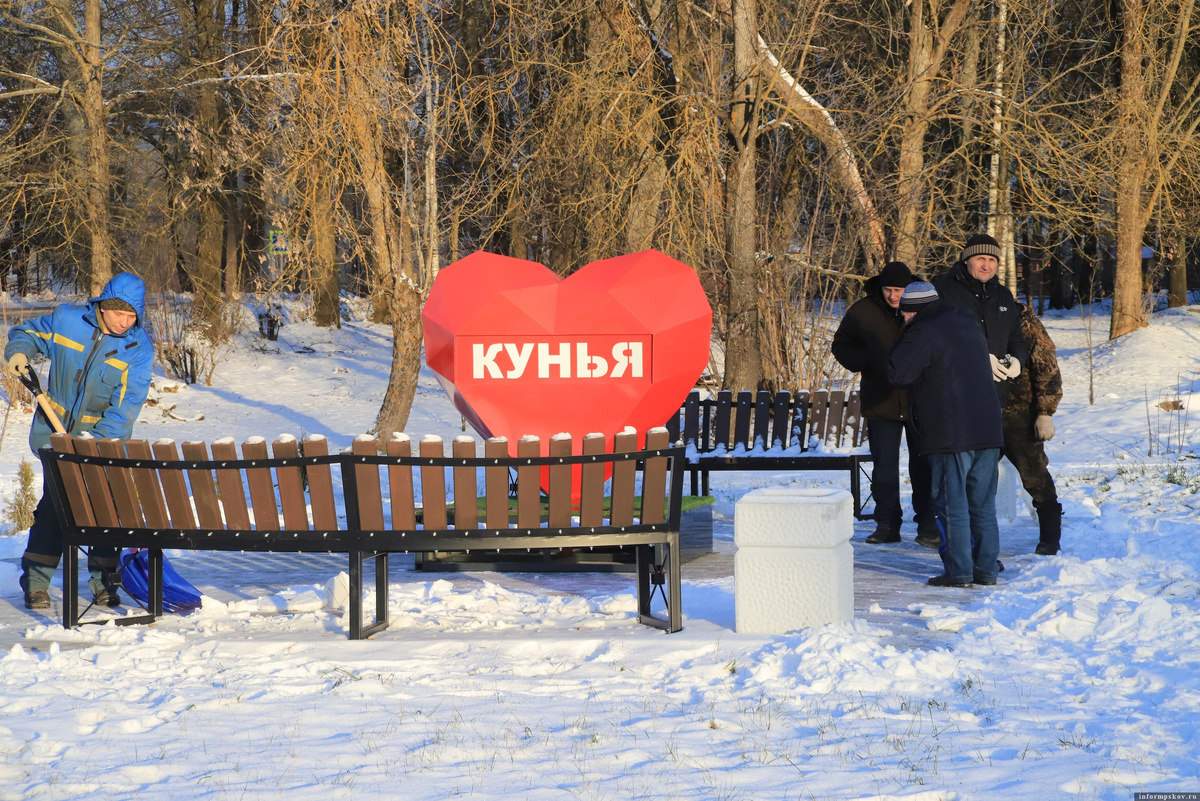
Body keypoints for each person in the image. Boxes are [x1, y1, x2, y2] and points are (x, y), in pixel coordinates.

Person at [5, 272, 155, 610]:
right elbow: (27, 333)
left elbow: (125, 409)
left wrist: (91, 442)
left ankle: (105, 582)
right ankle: (36, 583)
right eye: (119, 313)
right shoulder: (66, 321)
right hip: (52, 434)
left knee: (102, 506)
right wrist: (18, 351)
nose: (124, 322)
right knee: (56, 507)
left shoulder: (138, 348)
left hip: (100, 443)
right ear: (102, 306)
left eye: (132, 316)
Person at [886, 282, 1005, 588]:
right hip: (988, 429)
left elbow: (897, 373)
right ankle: (987, 571)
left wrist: (898, 342)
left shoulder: (923, 329)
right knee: (983, 505)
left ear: (912, 310)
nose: (903, 319)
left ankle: (959, 572)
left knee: (952, 506)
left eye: (904, 314)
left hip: (951, 432)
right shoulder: (966, 320)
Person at [832, 261, 937, 546]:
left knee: (924, 466)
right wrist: (867, 361)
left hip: (920, 401)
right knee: (884, 470)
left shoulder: (924, 309)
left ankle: (928, 525)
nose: (893, 296)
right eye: (888, 290)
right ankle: (887, 524)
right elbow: (841, 345)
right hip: (881, 400)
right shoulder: (863, 311)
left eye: (899, 290)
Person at [934, 233, 1028, 405]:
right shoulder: (941, 293)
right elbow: (933, 343)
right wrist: (977, 359)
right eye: (980, 258)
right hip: (953, 396)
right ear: (966, 260)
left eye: (992, 260)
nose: (986, 266)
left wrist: (1018, 360)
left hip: (994, 396)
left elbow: (1017, 340)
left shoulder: (1004, 296)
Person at [1003, 303, 1064, 555]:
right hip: (980, 413)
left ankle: (1050, 538)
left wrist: (1044, 413)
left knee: (1035, 476)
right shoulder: (971, 317)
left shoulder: (1026, 324)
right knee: (973, 480)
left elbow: (1047, 368)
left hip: (1020, 415)